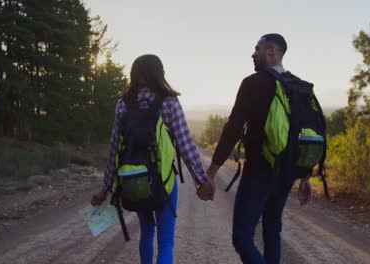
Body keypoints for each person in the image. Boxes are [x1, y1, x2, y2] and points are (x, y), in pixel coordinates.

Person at [91, 54, 214, 264]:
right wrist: (202, 180)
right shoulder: (168, 101)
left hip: (134, 182)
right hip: (163, 183)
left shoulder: (123, 104)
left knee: (147, 233)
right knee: (166, 241)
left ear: (134, 74)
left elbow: (114, 149)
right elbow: (185, 145)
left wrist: (106, 188)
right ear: (159, 74)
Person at [205, 34, 313, 264]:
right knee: (272, 231)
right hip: (285, 172)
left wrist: (211, 172)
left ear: (271, 51)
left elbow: (233, 128)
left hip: (258, 172)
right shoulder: (298, 86)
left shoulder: (253, 83)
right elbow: (305, 133)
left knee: (242, 238)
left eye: (257, 48)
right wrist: (305, 174)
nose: (253, 54)